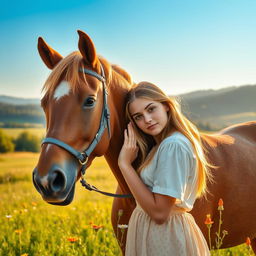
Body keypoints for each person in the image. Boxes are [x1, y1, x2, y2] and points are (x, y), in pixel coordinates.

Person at [118, 82, 212, 256]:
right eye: (138, 116)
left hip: (165, 238)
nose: (147, 119)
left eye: (151, 109)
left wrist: (124, 165)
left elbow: (159, 213)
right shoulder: (160, 145)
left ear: (167, 106)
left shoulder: (173, 146)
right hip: (158, 234)